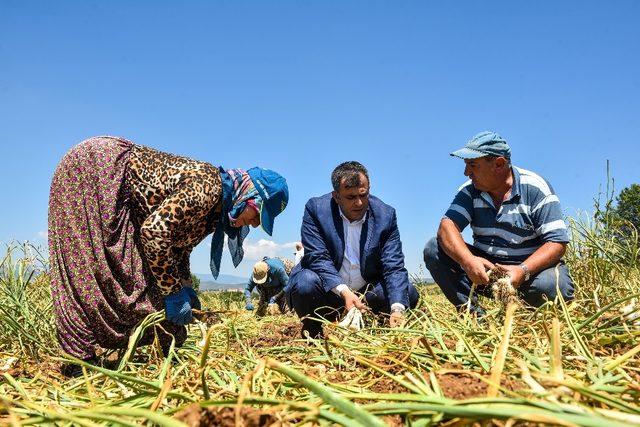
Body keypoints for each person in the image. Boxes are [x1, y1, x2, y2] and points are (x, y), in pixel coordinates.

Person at [48, 136, 288, 376]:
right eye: (258, 214)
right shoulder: (208, 186)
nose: (255, 224)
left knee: (161, 311)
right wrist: (173, 293)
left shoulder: (216, 211)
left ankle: (144, 350)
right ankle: (77, 360)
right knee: (89, 268)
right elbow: (154, 232)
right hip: (98, 170)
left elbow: (178, 248)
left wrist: (185, 287)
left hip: (127, 202)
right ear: (249, 195)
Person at [423, 131, 574, 315]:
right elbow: (447, 228)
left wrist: (522, 270)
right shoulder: (470, 192)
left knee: (553, 285)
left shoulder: (535, 188)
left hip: (528, 271)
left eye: (472, 165)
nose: (466, 173)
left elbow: (557, 242)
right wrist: (468, 261)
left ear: (499, 164)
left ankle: (524, 310)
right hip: (485, 271)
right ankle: (474, 315)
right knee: (434, 249)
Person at [286, 161, 419, 338]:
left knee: (406, 293)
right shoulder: (316, 210)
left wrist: (397, 308)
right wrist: (344, 292)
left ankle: (380, 324)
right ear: (336, 196)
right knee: (305, 283)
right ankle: (313, 331)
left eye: (363, 195)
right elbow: (317, 257)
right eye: (350, 197)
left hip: (367, 293)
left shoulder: (385, 216)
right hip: (330, 292)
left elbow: (393, 264)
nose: (359, 203)